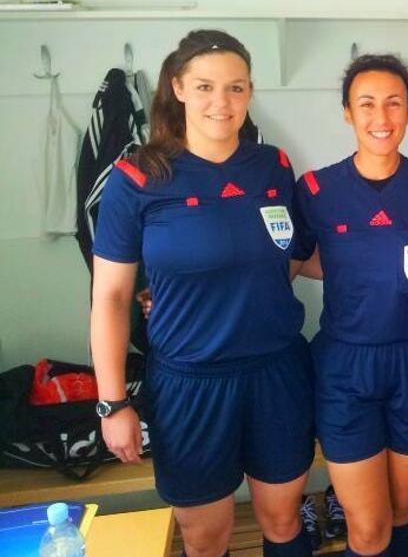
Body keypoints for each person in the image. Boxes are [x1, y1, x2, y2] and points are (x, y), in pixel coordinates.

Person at [90, 30, 315, 557]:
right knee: (206, 537)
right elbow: (112, 298)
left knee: (283, 520)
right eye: (206, 87)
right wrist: (112, 403)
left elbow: (291, 255)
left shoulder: (274, 166)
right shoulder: (137, 177)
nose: (222, 102)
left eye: (236, 88)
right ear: (179, 88)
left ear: (250, 92)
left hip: (277, 373)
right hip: (191, 383)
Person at [292, 54, 408, 557]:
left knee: (401, 509)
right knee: (368, 529)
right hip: (346, 365)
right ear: (348, 112)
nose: (381, 117)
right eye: (366, 104)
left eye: (394, 103)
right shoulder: (316, 190)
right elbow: (291, 264)